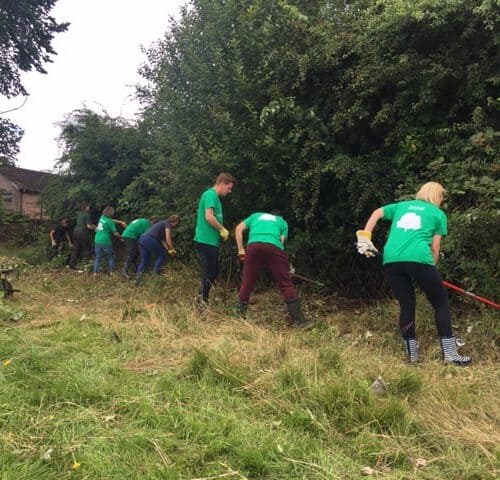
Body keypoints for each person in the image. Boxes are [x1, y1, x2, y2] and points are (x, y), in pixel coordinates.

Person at [356, 181, 471, 365]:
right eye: (442, 197)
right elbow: (434, 248)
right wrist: (430, 269)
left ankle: (412, 356)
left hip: (391, 259)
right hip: (419, 258)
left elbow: (377, 212)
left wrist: (365, 238)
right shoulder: (438, 214)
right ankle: (450, 354)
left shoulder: (402, 206)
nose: (442, 200)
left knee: (407, 305)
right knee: (440, 303)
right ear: (436, 196)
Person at [234, 210, 313, 329]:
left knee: (247, 282)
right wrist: (284, 268)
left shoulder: (256, 216)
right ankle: (299, 322)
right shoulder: (282, 222)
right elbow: (280, 242)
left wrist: (241, 250)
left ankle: (238, 319)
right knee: (285, 283)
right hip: (274, 247)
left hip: (253, 246)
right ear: (279, 216)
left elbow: (238, 229)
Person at [193, 173, 234, 305]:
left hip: (210, 241)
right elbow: (209, 217)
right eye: (229, 187)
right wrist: (222, 229)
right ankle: (201, 303)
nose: (229, 191)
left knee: (211, 272)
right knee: (209, 273)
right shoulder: (210, 195)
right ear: (222, 183)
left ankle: (201, 299)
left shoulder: (215, 198)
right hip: (205, 241)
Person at [136, 215, 180, 282]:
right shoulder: (167, 224)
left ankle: (138, 279)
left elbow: (163, 240)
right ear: (176, 221)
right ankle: (155, 276)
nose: (176, 225)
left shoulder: (162, 223)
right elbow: (168, 238)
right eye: (177, 222)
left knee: (145, 260)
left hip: (142, 239)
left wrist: (169, 250)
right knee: (161, 256)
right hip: (149, 239)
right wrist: (173, 249)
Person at [93, 206, 125, 274]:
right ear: (111, 213)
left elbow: (111, 220)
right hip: (105, 241)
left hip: (97, 240)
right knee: (111, 256)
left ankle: (95, 273)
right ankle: (111, 272)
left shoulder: (101, 217)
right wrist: (121, 238)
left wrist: (120, 222)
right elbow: (115, 233)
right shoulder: (110, 222)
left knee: (98, 257)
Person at [69, 202, 95, 269]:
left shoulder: (79, 213)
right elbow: (89, 226)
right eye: (88, 207)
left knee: (75, 249)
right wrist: (95, 227)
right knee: (86, 248)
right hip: (82, 233)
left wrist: (92, 225)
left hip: (75, 232)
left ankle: (71, 265)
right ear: (86, 207)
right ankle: (85, 265)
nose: (89, 208)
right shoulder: (87, 214)